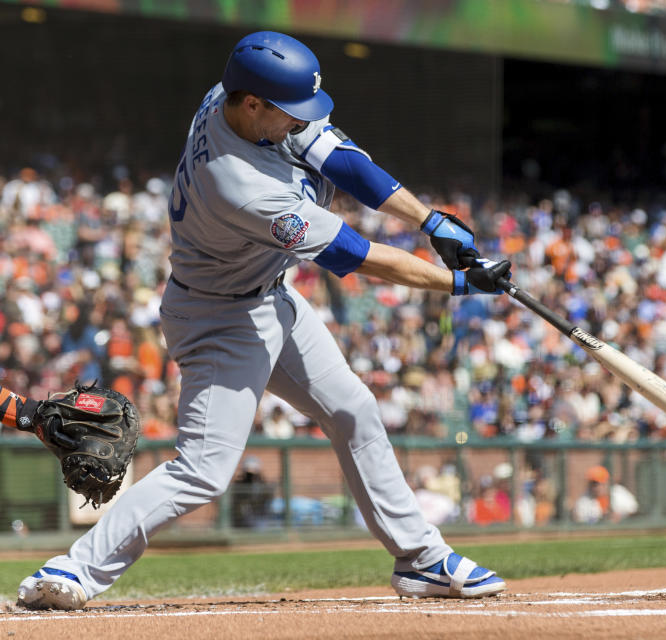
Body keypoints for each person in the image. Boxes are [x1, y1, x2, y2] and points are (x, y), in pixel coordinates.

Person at [17, 31, 509, 610]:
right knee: (203, 469)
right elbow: (356, 255)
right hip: (218, 318)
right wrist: (455, 283)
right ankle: (74, 569)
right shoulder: (240, 186)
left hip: (269, 298)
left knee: (354, 410)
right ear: (252, 104)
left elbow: (342, 161)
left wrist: (431, 220)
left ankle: (421, 559)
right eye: (289, 112)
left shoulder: (233, 98)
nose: (301, 122)